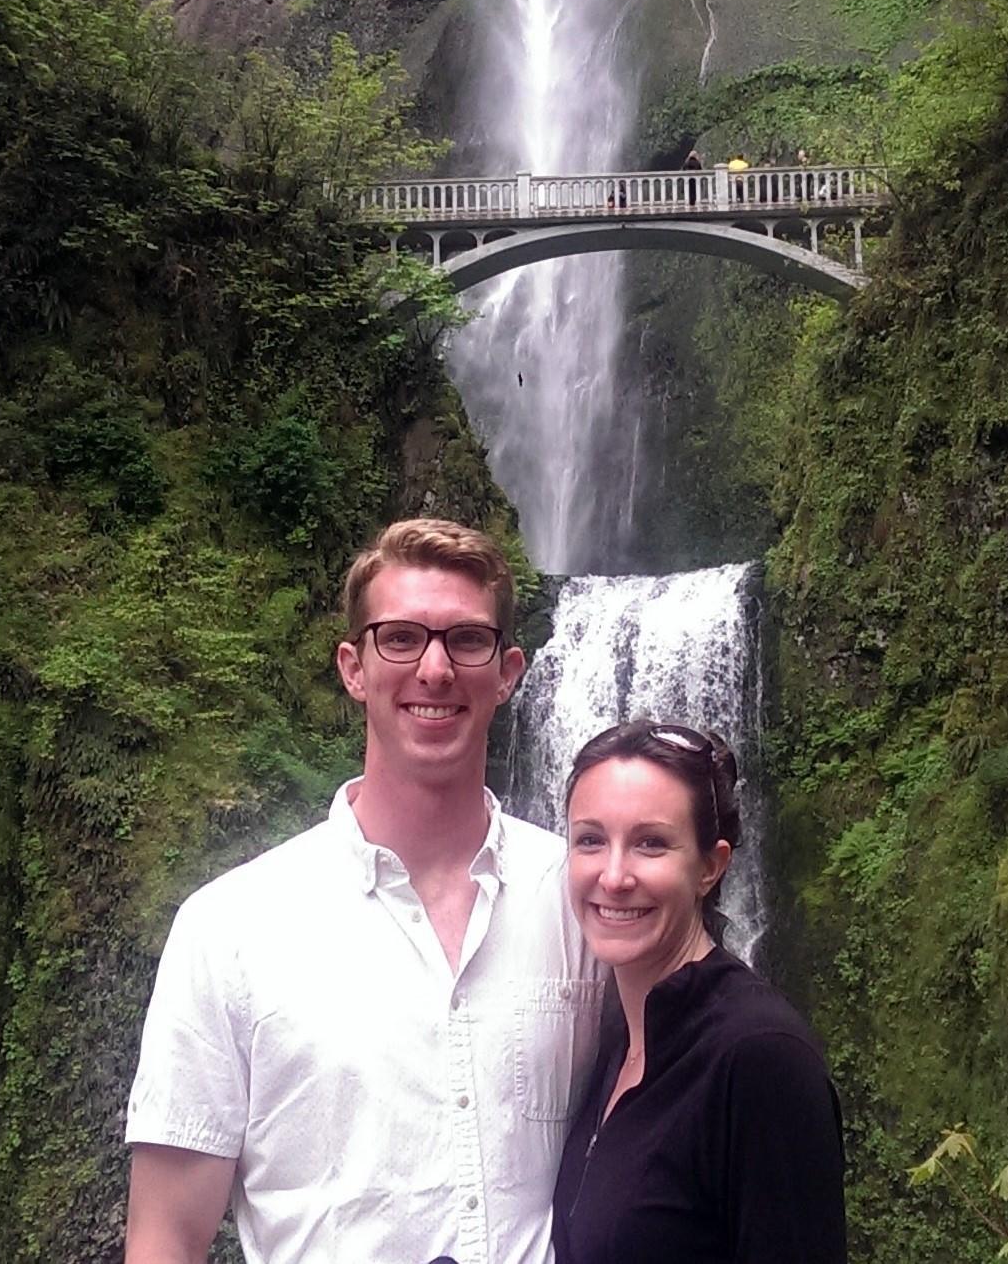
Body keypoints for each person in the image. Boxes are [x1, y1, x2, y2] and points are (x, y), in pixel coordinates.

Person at [124, 518, 605, 1264]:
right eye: (401, 637)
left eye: (466, 640)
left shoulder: (583, 901)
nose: (436, 668)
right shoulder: (229, 928)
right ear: (353, 666)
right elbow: (166, 1238)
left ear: (508, 670)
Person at [551, 720, 847, 1264]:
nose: (614, 876)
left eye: (651, 843)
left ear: (711, 866)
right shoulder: (615, 1032)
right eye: (591, 839)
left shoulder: (762, 1059)